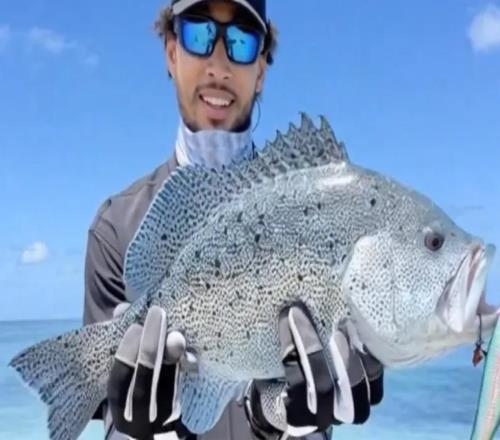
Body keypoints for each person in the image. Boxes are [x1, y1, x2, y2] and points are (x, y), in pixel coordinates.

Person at [83, 1, 385, 439]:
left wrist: (282, 419)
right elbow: (115, 420)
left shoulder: (317, 207)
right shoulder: (116, 228)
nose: (219, 64)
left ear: (260, 69)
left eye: (241, 42)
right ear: (172, 52)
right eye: (198, 35)